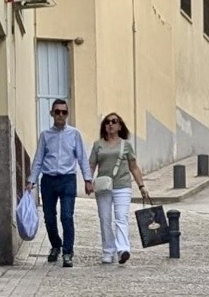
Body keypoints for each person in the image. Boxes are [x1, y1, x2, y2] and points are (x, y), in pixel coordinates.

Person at [25, 99, 93, 268]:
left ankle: (68, 252)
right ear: (52, 114)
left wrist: (88, 179)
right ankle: (56, 245)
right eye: (57, 112)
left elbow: (82, 158)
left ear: (67, 114)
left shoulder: (74, 134)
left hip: (67, 179)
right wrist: (31, 180)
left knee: (66, 216)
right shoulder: (45, 135)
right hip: (48, 180)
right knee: (49, 218)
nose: (61, 115)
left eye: (64, 112)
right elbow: (38, 159)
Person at [89, 112, 149, 265]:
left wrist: (141, 186)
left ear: (119, 126)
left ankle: (123, 250)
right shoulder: (98, 145)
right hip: (103, 187)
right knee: (105, 219)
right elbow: (91, 165)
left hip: (122, 185)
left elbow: (134, 167)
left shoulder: (126, 145)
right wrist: (88, 181)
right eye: (107, 122)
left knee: (121, 218)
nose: (110, 124)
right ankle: (108, 251)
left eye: (114, 121)